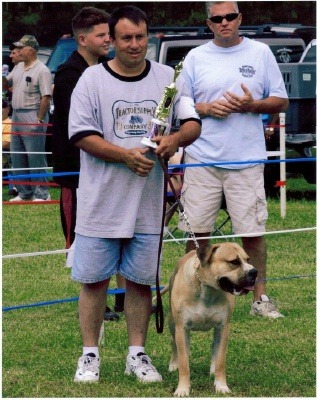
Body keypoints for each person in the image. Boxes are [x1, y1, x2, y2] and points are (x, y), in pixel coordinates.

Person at [68, 5, 201, 383]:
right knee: (93, 280)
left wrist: (173, 140)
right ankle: (89, 355)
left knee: (141, 281)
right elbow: (79, 134)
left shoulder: (168, 78)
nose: (134, 44)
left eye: (141, 37)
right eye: (126, 37)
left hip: (146, 205)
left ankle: (137, 354)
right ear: (112, 39)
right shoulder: (92, 80)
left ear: (149, 37)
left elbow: (191, 122)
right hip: (101, 202)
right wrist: (125, 156)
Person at [178, 1, 289, 318]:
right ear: (208, 23)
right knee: (197, 233)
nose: (224, 22)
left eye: (230, 17)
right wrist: (206, 109)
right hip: (202, 159)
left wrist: (251, 105)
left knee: (252, 233)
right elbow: (181, 103)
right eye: (217, 18)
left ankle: (260, 299)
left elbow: (281, 100)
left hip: (246, 159)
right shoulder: (196, 57)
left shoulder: (260, 53)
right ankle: (191, 295)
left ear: (240, 19)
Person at [52, 6, 125, 320]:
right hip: (78, 171)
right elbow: (79, 126)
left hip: (108, 166)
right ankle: (98, 302)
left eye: (109, 34)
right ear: (82, 39)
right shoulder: (69, 73)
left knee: (120, 231)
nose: (108, 40)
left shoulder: (108, 68)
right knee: (84, 236)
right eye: (101, 35)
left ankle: (123, 297)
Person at [6, 35, 52, 201]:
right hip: (17, 114)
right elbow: (7, 84)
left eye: (21, 48)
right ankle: (25, 193)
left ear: (31, 50)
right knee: (17, 155)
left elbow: (46, 96)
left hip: (33, 113)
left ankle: (42, 194)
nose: (18, 51)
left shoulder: (42, 70)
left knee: (35, 156)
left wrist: (39, 120)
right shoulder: (18, 67)